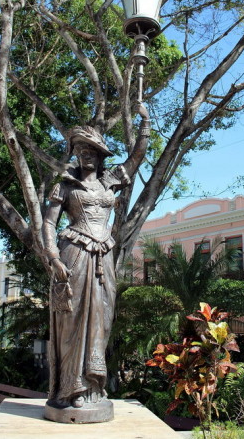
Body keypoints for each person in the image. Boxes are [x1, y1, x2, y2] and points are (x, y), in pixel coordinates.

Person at [41, 104, 150, 419]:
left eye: (91, 149)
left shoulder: (112, 179)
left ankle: (94, 388)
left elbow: (138, 156)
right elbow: (49, 222)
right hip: (74, 252)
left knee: (102, 316)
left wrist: (144, 121)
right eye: (79, 149)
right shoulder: (65, 183)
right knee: (72, 320)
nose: (85, 154)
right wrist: (51, 256)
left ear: (101, 154)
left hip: (105, 254)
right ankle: (71, 389)